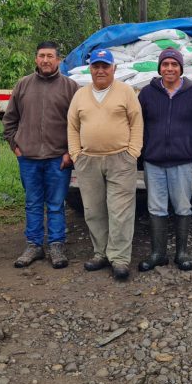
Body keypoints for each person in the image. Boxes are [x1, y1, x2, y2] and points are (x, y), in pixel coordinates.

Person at [67, 49, 143, 281]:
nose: (100, 70)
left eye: (105, 66)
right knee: (93, 210)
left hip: (120, 158)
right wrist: (76, 154)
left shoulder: (126, 92)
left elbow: (136, 122)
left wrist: (132, 152)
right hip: (88, 161)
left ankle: (119, 259)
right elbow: (72, 126)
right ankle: (100, 253)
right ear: (90, 69)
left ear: (114, 69)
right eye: (96, 66)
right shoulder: (80, 95)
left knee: (120, 211)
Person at [3, 42, 79, 269]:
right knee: (33, 203)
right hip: (28, 157)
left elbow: (78, 124)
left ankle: (56, 245)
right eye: (41, 56)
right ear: (36, 59)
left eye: (50, 56)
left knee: (56, 204)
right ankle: (33, 245)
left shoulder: (70, 87)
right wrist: (15, 145)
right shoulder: (23, 85)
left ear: (58, 60)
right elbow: (10, 120)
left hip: (59, 158)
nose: (46, 60)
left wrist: (69, 152)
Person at [137, 48, 192, 272]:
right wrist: (145, 147)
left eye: (174, 65)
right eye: (165, 64)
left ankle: (182, 253)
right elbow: (137, 124)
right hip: (154, 161)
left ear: (181, 68)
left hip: (182, 161)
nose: (169, 68)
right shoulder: (147, 94)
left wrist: (190, 143)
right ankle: (158, 253)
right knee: (156, 207)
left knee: (182, 206)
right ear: (159, 68)